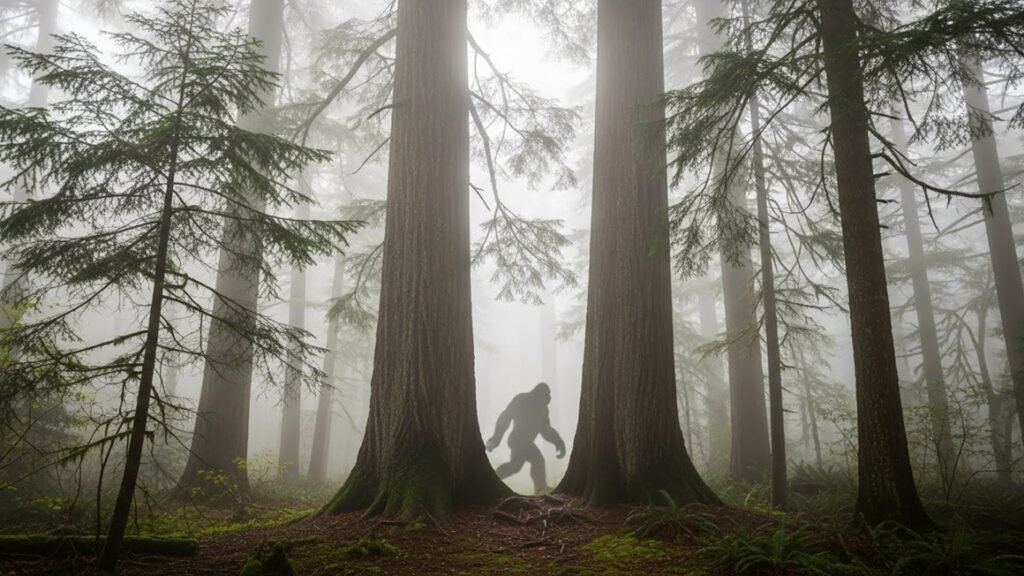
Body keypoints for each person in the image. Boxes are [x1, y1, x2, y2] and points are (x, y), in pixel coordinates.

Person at [485, 382, 566, 494]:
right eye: (545, 397)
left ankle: (540, 489)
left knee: (521, 465)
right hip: (517, 439)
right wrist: (495, 439)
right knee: (528, 463)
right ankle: (540, 489)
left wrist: (559, 443)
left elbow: (546, 430)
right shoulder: (522, 400)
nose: (547, 400)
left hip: (526, 442)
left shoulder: (542, 409)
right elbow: (505, 418)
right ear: (538, 395)